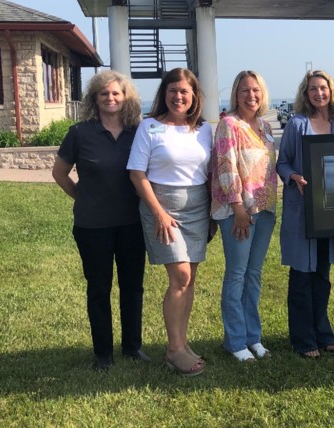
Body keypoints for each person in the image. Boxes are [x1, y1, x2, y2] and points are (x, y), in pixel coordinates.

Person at [52, 70, 147, 372]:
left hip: (133, 223)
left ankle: (132, 347)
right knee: (99, 288)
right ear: (94, 98)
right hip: (93, 226)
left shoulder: (139, 132)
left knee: (133, 287)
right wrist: (82, 197)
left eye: (117, 93)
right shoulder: (80, 133)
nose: (111, 98)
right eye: (104, 93)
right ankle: (103, 353)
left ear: (126, 97)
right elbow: (59, 174)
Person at [128, 68, 213, 377]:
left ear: (194, 97)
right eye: (173, 91)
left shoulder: (203, 129)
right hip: (162, 208)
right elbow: (137, 174)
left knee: (189, 279)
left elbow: (208, 173)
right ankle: (174, 350)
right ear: (164, 94)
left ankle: (182, 342)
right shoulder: (149, 127)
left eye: (185, 92)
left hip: (198, 207)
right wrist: (159, 212)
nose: (179, 96)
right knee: (178, 277)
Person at [276, 69, 334, 358]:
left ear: (331, 91)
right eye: (313, 89)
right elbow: (281, 163)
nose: (319, 93)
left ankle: (323, 331)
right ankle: (303, 338)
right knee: (301, 275)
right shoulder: (297, 125)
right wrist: (293, 176)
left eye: (323, 88)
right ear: (305, 93)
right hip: (302, 210)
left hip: (332, 209)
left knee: (322, 274)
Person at [210, 70, 278, 362]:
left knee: (254, 275)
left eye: (256, 91)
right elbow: (226, 167)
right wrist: (238, 208)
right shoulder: (228, 125)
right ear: (236, 94)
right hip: (238, 211)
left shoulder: (265, 127)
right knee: (236, 275)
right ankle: (235, 340)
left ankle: (253, 337)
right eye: (245, 91)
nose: (251, 95)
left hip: (266, 211)